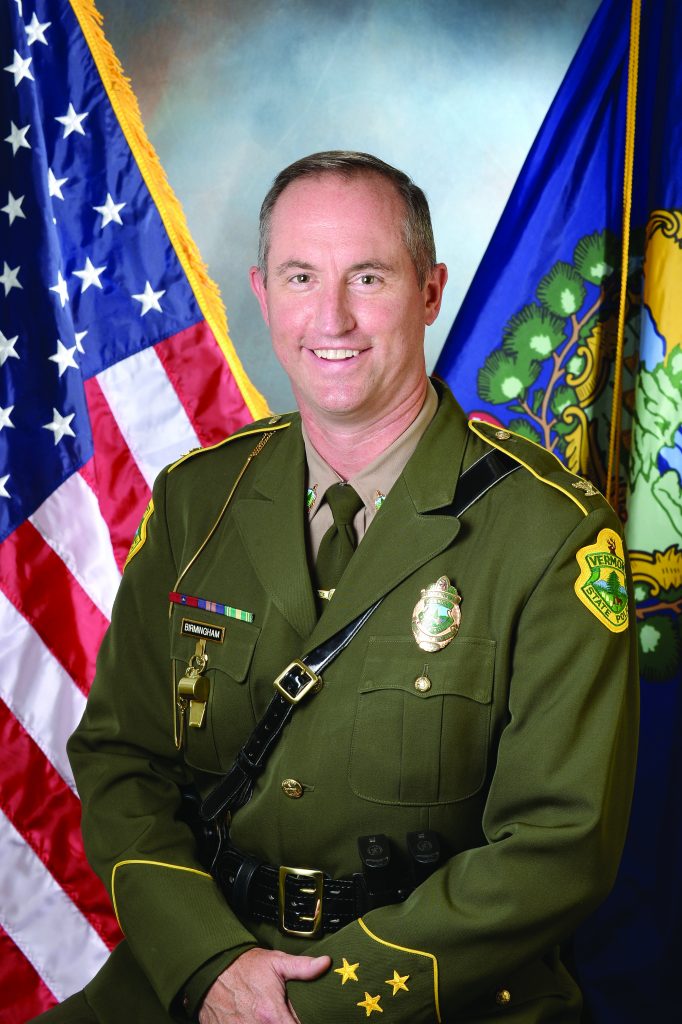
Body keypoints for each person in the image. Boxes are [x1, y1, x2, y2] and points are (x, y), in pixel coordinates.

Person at [36, 152, 638, 1024]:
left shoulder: (551, 534)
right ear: (263, 291)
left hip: (428, 997)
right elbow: (122, 760)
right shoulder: (197, 499)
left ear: (429, 292)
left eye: (369, 275)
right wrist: (210, 965)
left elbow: (558, 847)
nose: (333, 317)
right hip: (208, 964)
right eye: (301, 277)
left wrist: (306, 1010)